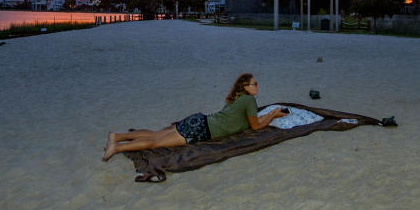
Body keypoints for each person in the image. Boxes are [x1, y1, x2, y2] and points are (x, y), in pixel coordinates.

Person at [101, 73, 285, 162]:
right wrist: (273, 114)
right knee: (155, 142)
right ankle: (116, 148)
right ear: (246, 87)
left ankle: (116, 136)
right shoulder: (249, 100)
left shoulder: (238, 98)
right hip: (202, 130)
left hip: (200, 120)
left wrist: (271, 113)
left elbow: (253, 120)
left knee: (156, 134)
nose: (257, 86)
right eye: (255, 84)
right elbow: (256, 126)